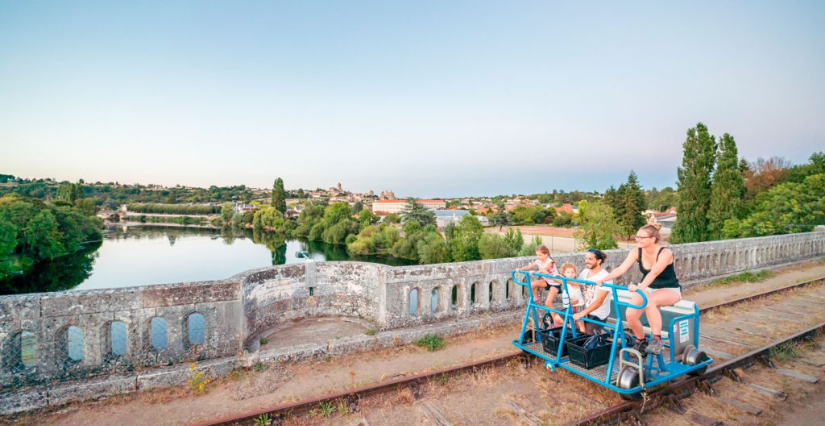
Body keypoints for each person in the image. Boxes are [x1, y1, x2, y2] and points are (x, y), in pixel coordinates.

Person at [595, 224, 681, 354]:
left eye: (642, 237)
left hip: (669, 289)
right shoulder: (636, 251)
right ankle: (641, 341)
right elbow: (622, 268)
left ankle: (657, 340)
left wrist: (639, 288)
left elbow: (654, 273)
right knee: (630, 314)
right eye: (637, 237)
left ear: (652, 239)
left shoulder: (665, 253)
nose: (638, 240)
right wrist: (604, 279)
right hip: (647, 288)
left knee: (650, 301)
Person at [572, 249, 613, 334]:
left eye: (590, 259)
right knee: (559, 318)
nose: (587, 261)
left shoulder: (605, 277)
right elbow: (576, 285)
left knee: (586, 335)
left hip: (597, 313)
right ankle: (603, 334)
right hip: (584, 308)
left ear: (598, 261)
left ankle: (610, 337)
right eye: (586, 258)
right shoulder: (585, 271)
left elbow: (599, 301)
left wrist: (581, 314)